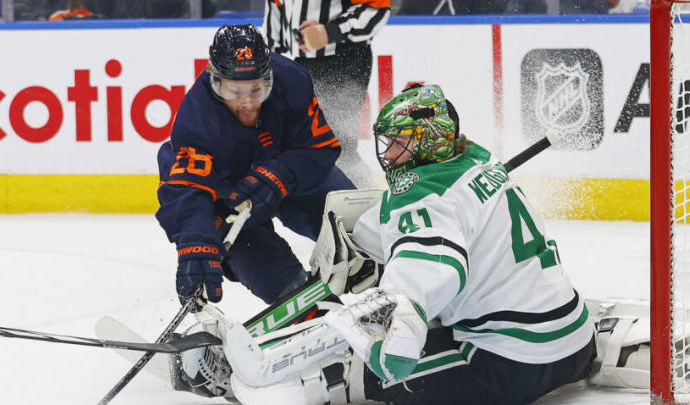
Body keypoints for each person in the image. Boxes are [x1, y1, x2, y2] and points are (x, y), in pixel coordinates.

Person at [193, 83, 597, 405]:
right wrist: (367, 239)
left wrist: (399, 328)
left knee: (359, 368)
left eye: (400, 141)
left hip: (509, 364)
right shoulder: (477, 162)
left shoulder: (422, 198)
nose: (390, 152)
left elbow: (430, 270)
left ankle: (251, 379)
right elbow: (438, 230)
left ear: (427, 140)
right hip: (575, 341)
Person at [155, 25, 354, 314]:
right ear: (215, 80)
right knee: (281, 281)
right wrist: (195, 243)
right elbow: (187, 190)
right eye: (235, 91)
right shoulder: (196, 118)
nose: (247, 102)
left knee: (359, 230)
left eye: (257, 89)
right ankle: (314, 316)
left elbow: (319, 146)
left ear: (270, 78)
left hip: (296, 181)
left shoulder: (292, 80)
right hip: (232, 205)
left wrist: (281, 174)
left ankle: (409, 294)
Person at [263, 0, 391, 189]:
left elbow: (377, 8)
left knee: (337, 145)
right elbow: (276, 10)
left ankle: (363, 202)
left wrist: (330, 32)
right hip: (302, 64)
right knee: (303, 142)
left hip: (344, 59)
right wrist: (271, 59)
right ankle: (325, 202)